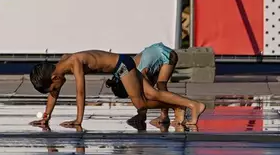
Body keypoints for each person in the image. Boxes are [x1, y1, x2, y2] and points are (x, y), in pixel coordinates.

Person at [29, 50, 205, 127]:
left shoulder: (74, 62)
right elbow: (53, 93)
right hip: (122, 63)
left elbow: (80, 92)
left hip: (122, 64)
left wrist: (78, 120)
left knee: (142, 104)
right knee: (152, 93)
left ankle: (191, 105)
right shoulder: (61, 64)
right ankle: (178, 105)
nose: (55, 91)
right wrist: (47, 115)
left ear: (54, 77)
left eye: (53, 87)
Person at [106, 42, 178, 125]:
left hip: (167, 55)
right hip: (160, 53)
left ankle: (169, 112)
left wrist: (142, 112)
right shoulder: (125, 72)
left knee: (160, 85)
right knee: (154, 87)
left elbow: (145, 93)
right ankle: (167, 111)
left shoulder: (139, 72)